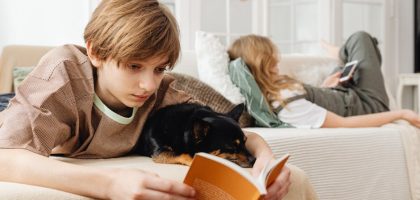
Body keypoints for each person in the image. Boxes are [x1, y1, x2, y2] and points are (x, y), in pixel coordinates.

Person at [0, 0, 318, 199]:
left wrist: (264, 158)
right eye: (134, 66)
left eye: (159, 68)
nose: (147, 84)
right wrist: (107, 185)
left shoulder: (161, 91)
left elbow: (234, 132)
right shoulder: (63, 73)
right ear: (95, 52)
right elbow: (6, 155)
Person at [227, 32, 420, 128]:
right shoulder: (285, 106)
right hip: (369, 103)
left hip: (343, 93)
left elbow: (313, 104)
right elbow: (344, 124)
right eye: (271, 60)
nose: (277, 61)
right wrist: (400, 114)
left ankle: (343, 55)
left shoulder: (277, 91)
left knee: (357, 54)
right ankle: (342, 52)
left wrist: (325, 88)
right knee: (361, 39)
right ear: (260, 64)